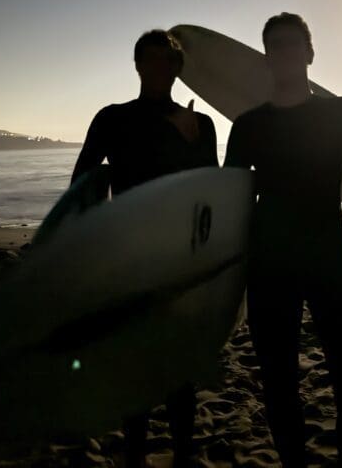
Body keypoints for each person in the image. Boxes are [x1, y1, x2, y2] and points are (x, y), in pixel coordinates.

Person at [224, 12, 342, 467]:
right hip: (269, 263)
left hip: (328, 256)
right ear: (266, 58)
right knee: (278, 383)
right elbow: (231, 196)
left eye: (292, 43)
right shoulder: (249, 125)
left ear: (310, 53)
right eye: (275, 45)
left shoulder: (340, 112)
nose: (284, 52)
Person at [71, 29, 218, 468]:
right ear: (137, 65)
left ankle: (182, 452)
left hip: (179, 260)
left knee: (178, 369)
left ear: (177, 68)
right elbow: (82, 181)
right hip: (128, 259)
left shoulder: (201, 124)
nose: (159, 68)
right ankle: (134, 455)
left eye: (167, 61)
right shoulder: (112, 118)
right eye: (150, 59)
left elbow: (208, 195)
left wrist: (191, 143)